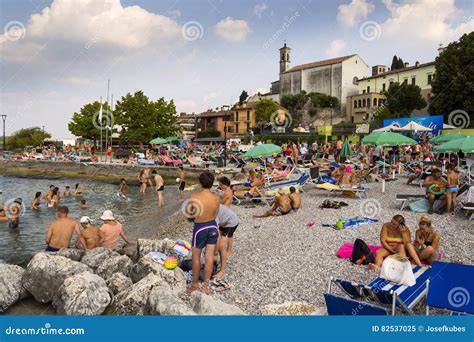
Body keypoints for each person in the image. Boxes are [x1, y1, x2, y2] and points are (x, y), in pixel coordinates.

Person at [185, 171, 220, 295]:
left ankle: (194, 284)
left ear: (200, 182)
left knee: (196, 256)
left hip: (200, 227)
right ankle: (206, 286)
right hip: (213, 227)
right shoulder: (216, 198)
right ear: (212, 183)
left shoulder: (194, 196)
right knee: (209, 257)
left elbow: (189, 215)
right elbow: (216, 214)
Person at [214, 204, 239, 281]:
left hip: (231, 222)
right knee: (226, 237)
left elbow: (217, 235)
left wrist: (215, 254)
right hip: (224, 221)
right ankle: (228, 251)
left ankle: (222, 271)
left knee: (221, 246)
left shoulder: (211, 212)